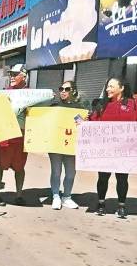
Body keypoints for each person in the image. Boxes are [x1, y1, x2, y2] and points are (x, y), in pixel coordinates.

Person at [89, 77, 137, 218]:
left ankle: (121, 206)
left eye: (111, 86)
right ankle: (101, 203)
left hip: (124, 150)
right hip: (106, 150)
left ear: (121, 88)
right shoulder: (101, 105)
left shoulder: (132, 104)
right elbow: (92, 122)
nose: (108, 89)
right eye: (107, 86)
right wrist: (82, 123)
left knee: (122, 178)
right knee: (103, 177)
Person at [0, 63, 29, 207]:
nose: (12, 77)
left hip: (22, 137)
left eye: (15, 74)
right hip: (5, 137)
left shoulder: (32, 93)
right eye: (11, 74)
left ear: (24, 76)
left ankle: (19, 195)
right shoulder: (4, 93)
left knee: (20, 168)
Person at [48, 81, 85, 210]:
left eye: (66, 89)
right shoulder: (54, 106)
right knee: (56, 172)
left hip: (71, 145)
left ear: (73, 91)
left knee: (70, 173)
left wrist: (85, 120)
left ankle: (67, 197)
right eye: (61, 88)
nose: (63, 91)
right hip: (55, 144)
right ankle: (56, 196)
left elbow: (81, 125)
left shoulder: (78, 107)